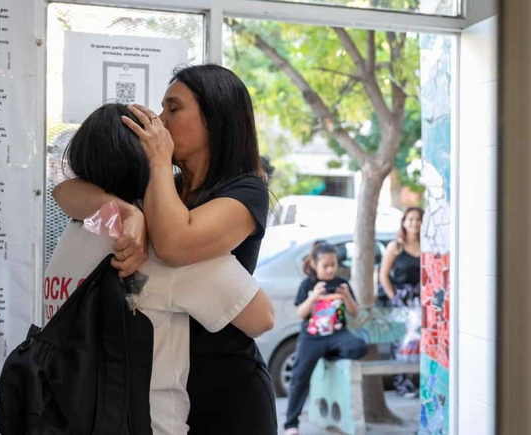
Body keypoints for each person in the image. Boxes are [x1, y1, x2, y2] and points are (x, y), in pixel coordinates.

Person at [53, 64, 278, 434]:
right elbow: (66, 192)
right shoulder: (164, 184)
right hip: (164, 384)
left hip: (226, 384)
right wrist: (126, 211)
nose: (159, 119)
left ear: (215, 118)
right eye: (162, 107)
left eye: (174, 108)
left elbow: (174, 245)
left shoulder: (245, 190)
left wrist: (157, 161)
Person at [284, 242, 368, 435]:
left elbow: (354, 312)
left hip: (338, 334)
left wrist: (346, 296)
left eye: (334, 265)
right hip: (312, 337)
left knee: (359, 347)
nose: (331, 269)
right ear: (314, 264)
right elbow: (301, 312)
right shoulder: (308, 285)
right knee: (300, 375)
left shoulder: (341, 284)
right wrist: (313, 297)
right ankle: (291, 424)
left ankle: (328, 354)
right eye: (326, 266)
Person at [379, 206, 424, 396]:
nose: (414, 223)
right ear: (404, 222)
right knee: (402, 342)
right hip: (402, 300)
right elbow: (383, 275)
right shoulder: (395, 246)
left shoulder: (427, 245)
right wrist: (395, 298)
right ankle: (402, 384)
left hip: (422, 300)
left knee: (422, 341)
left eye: (418, 219)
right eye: (410, 219)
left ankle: (421, 383)